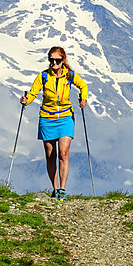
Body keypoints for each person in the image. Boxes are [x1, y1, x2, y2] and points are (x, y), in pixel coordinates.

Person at [20, 47, 88, 200]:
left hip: (65, 117)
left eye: (57, 60)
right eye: (51, 60)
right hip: (47, 118)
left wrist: (83, 98)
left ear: (63, 60)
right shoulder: (43, 76)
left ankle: (62, 190)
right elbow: (33, 93)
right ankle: (55, 188)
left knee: (63, 154)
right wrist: (26, 101)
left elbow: (83, 86)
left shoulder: (69, 75)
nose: (54, 63)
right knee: (51, 156)